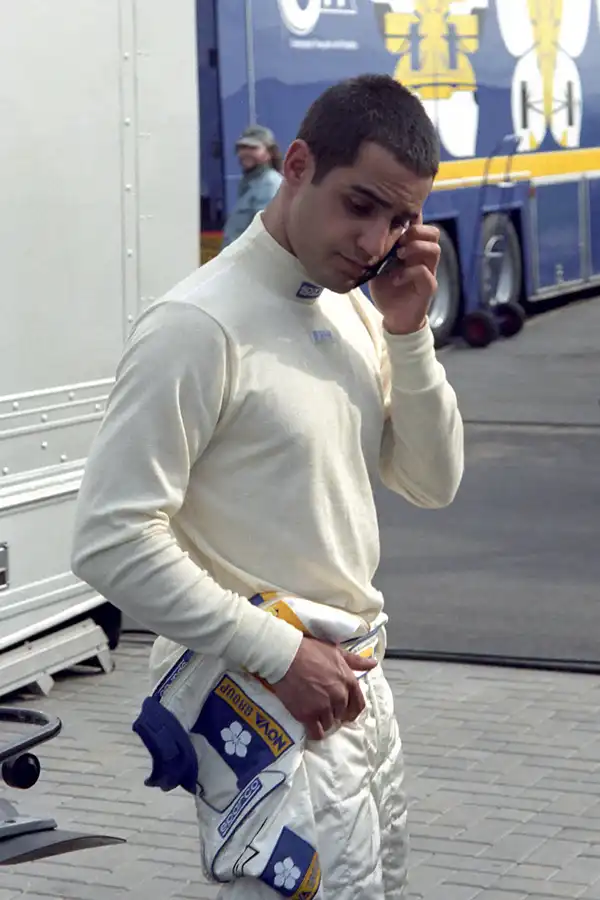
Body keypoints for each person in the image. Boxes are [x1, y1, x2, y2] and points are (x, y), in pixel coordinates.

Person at [71, 73, 464, 898]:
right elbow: (111, 537)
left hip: (351, 686)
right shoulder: (197, 325)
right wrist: (281, 653)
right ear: (295, 164)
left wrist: (408, 332)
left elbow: (434, 482)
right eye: (360, 204)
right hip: (266, 692)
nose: (375, 240)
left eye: (400, 219)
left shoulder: (355, 305)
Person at [221, 124, 283, 248]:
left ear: (269, 152)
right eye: (242, 148)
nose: (245, 153)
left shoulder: (269, 184)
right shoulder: (250, 183)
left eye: (253, 148)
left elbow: (265, 235)